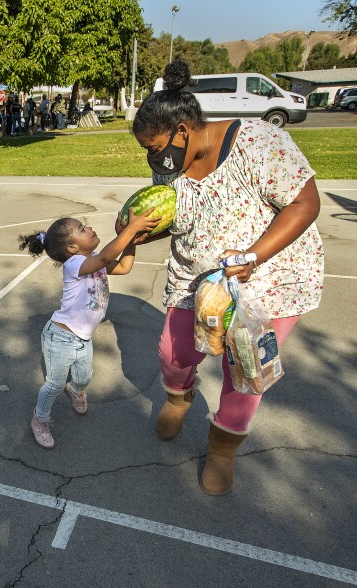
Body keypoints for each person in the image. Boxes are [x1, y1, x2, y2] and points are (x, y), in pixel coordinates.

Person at [132, 60, 324, 495]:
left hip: (266, 281)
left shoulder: (260, 142)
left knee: (245, 367)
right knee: (173, 352)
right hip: (192, 279)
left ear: (183, 130)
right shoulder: (170, 166)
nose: (154, 159)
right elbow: (172, 215)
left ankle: (223, 446)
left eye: (157, 146)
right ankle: (178, 397)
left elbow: (304, 204)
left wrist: (254, 255)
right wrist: (137, 232)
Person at [18, 210, 160, 449]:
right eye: (82, 229)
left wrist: (131, 243)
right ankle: (39, 419)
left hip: (82, 338)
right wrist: (130, 229)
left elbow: (124, 266)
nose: (90, 229)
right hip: (60, 337)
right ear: (72, 248)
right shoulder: (75, 264)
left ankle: (76, 390)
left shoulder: (94, 258)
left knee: (84, 378)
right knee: (54, 384)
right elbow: (104, 259)